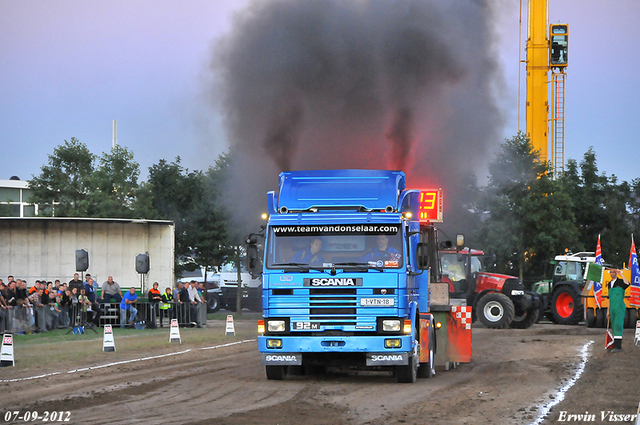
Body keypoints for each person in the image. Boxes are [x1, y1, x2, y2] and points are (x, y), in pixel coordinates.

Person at [606, 268, 630, 353]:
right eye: (611, 272)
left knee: (618, 324)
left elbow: (627, 283)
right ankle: (614, 345)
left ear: (616, 273)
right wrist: (608, 310)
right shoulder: (609, 284)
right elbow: (609, 298)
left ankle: (618, 346)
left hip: (619, 307)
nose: (612, 273)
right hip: (612, 307)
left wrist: (621, 274)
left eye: (613, 272)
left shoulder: (620, 282)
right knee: (613, 325)